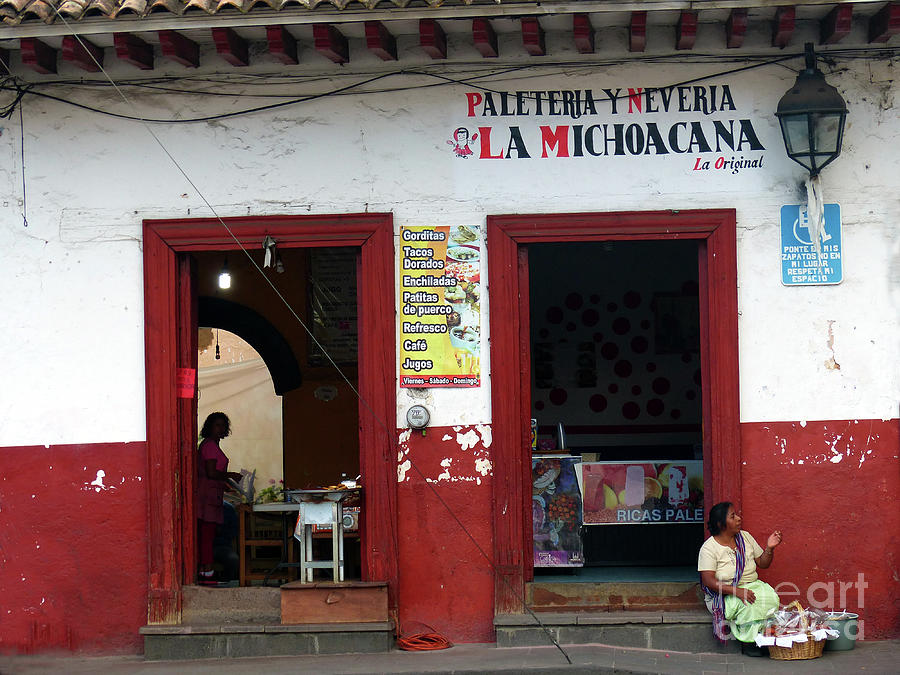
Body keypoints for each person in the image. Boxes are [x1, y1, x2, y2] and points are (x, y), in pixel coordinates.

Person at [698, 502, 783, 654]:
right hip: (722, 594)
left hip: (751, 585)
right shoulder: (709, 548)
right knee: (748, 606)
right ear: (721, 524)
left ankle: (764, 638)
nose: (738, 518)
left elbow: (763, 563)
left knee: (771, 599)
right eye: (733, 516)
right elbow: (708, 581)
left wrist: (769, 548)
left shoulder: (745, 537)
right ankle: (750, 643)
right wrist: (737, 591)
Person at [197, 412, 242, 585]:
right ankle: (207, 573)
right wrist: (229, 476)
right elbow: (211, 472)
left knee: (208, 534)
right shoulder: (209, 446)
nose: (221, 428)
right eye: (217, 425)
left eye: (223, 425)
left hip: (213, 494)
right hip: (207, 496)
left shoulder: (213, 445)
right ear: (209, 427)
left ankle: (206, 570)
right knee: (207, 535)